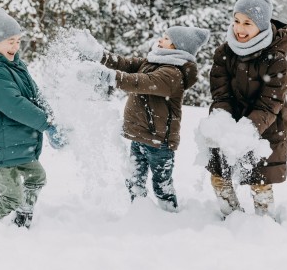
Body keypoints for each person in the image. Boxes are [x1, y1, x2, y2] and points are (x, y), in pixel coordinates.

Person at [76, 26, 210, 211]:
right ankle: (140, 214)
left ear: (179, 47)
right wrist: (99, 55)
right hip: (139, 136)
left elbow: (139, 82)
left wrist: (107, 76)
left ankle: (169, 214)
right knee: (134, 180)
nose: (160, 40)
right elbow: (125, 64)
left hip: (159, 142)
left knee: (161, 185)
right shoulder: (154, 61)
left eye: (166, 38)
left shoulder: (173, 74)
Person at [0, 6, 65, 228]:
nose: (15, 45)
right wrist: (46, 124)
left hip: (14, 142)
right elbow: (14, 105)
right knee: (11, 195)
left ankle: (24, 215)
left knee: (36, 178)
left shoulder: (14, 65)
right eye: (10, 41)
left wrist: (53, 119)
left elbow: (34, 94)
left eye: (18, 40)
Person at [208, 0, 287, 219]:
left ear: (261, 26)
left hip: (266, 127)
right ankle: (231, 217)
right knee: (219, 177)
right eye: (236, 21)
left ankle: (264, 223)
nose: (239, 29)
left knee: (259, 181)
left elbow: (270, 103)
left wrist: (248, 129)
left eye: (247, 23)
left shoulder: (275, 60)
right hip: (230, 124)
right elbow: (220, 93)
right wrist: (222, 123)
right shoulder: (224, 53)